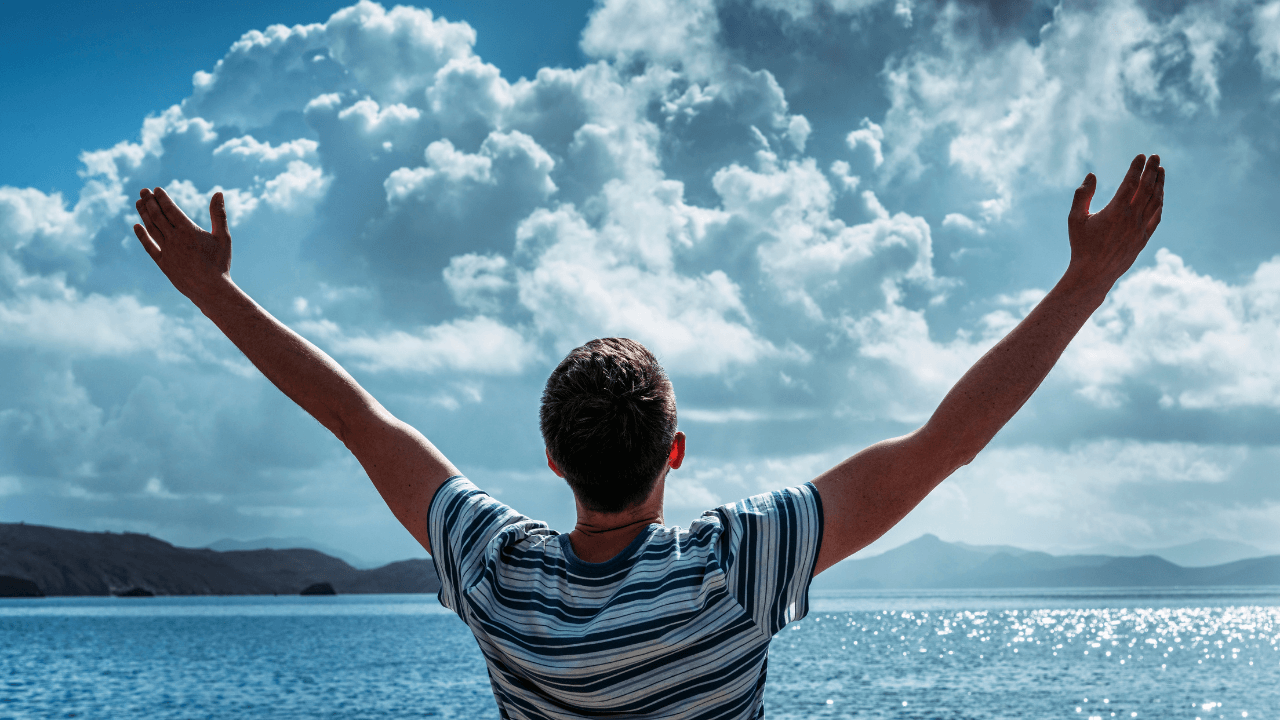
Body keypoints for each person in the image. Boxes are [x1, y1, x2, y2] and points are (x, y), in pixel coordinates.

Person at [132, 153, 1164, 719]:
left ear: (551, 460)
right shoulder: (736, 569)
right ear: (675, 450)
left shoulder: (496, 573)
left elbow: (358, 422)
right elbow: (945, 442)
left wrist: (216, 295)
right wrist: (1085, 280)